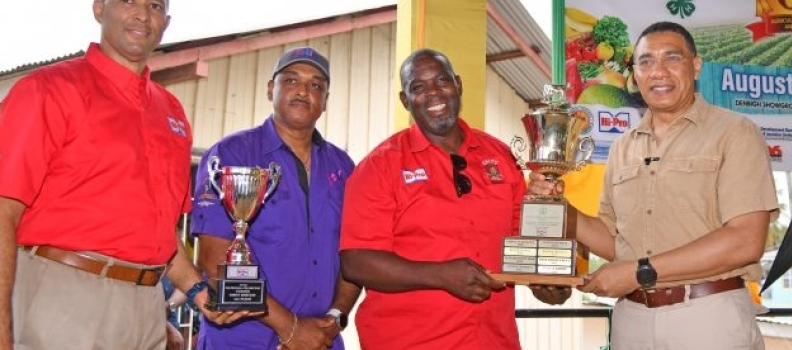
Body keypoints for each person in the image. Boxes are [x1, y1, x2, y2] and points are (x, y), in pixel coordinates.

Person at [0, 1, 250, 349]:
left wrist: (198, 291)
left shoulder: (171, 111)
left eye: (154, 5)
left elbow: (159, 235)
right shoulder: (48, 90)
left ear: (167, 21)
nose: (142, 14)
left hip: (147, 306)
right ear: (99, 8)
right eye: (129, 0)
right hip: (65, 296)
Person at [529, 21, 779, 349]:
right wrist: (562, 210)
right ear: (635, 75)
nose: (658, 72)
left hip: (707, 317)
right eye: (645, 62)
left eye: (671, 58)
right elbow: (616, 241)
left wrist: (638, 272)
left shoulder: (734, 133)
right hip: (631, 320)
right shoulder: (623, 148)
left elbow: (745, 241)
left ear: (696, 65)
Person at [339, 48, 571, 350]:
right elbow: (356, 262)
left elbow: (520, 241)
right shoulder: (381, 166)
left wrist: (549, 281)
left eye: (441, 81)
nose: (433, 93)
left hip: (494, 341)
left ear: (458, 85)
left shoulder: (499, 156)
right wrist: (440, 275)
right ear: (405, 100)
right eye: (418, 88)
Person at [191, 46, 361, 350]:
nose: (303, 91)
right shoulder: (231, 154)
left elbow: (354, 255)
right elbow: (214, 259)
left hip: (321, 341)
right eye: (291, 80)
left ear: (325, 100)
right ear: (271, 89)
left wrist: (334, 319)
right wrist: (291, 328)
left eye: (315, 85)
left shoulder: (343, 167)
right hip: (243, 339)